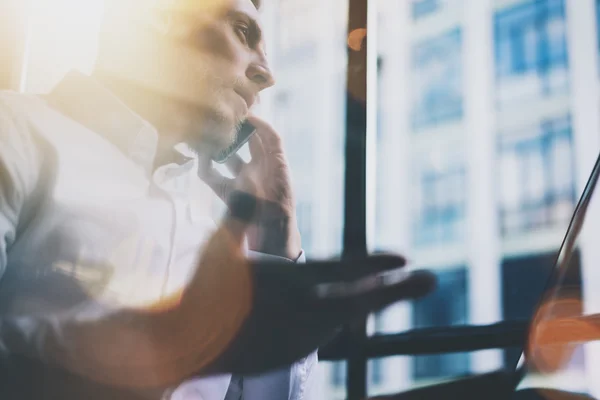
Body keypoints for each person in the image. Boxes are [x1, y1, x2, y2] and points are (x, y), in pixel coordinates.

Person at [0, 0, 435, 398]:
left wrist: (277, 237)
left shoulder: (219, 228)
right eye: (243, 32)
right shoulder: (13, 132)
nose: (267, 72)